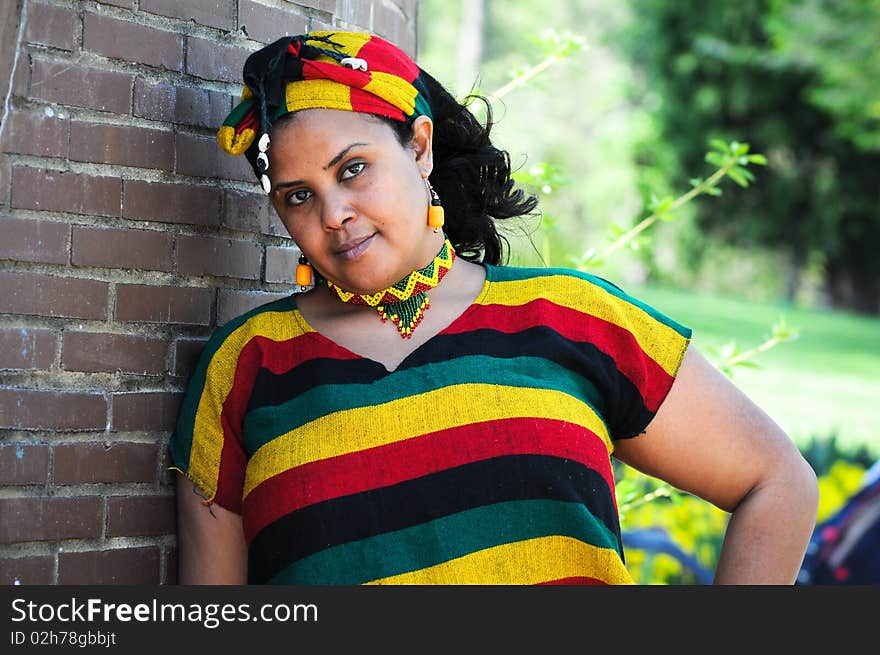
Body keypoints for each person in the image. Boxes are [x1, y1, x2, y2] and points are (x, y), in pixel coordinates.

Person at [169, 31, 818, 585]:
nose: (334, 214)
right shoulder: (246, 367)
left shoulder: (573, 318)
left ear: (419, 147)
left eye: (353, 169)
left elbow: (776, 480)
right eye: (298, 197)